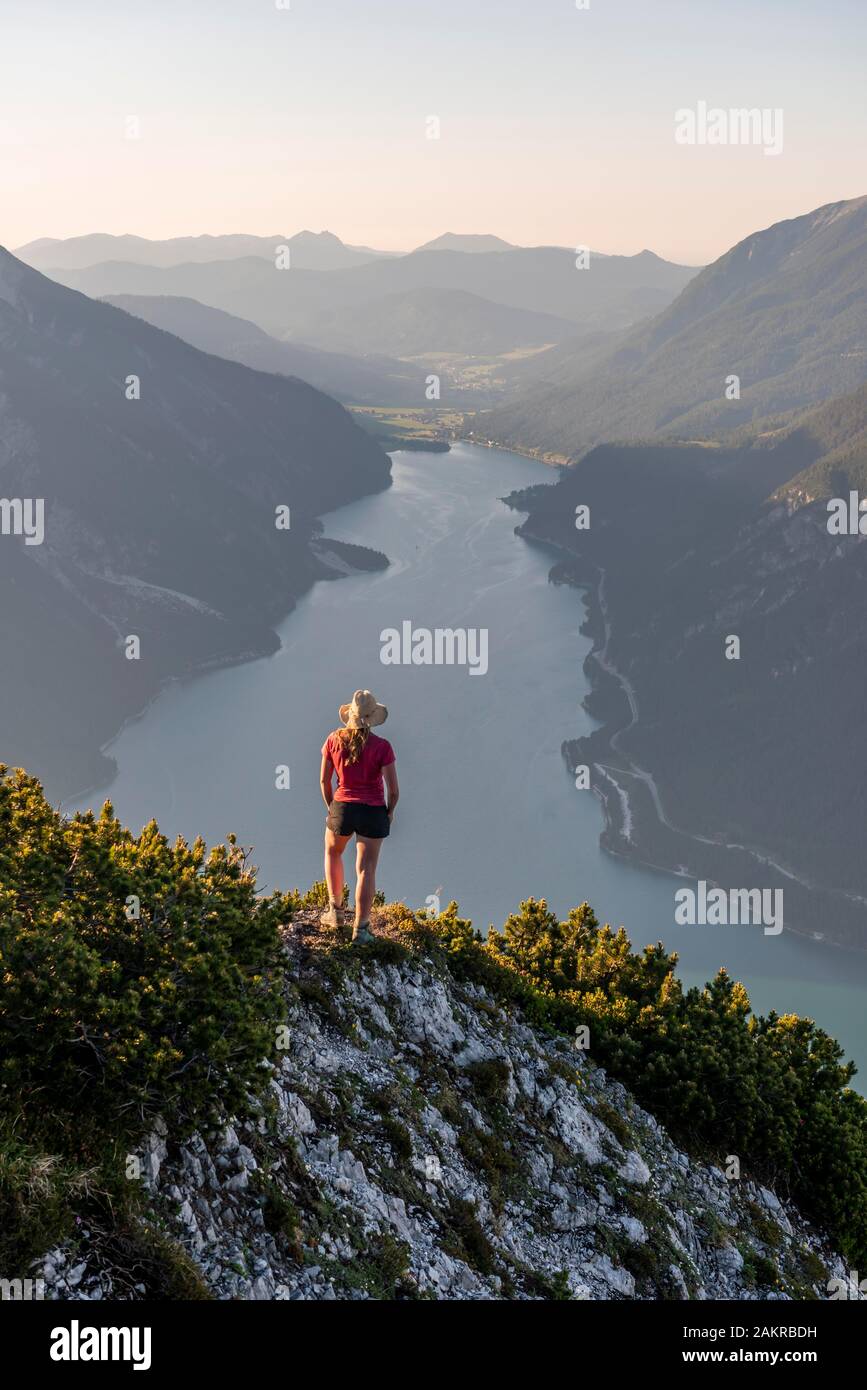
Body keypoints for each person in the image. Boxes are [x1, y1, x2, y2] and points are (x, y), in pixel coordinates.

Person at [319, 689, 399, 944]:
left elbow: (324, 781)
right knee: (366, 869)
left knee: (333, 852)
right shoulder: (382, 747)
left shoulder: (333, 739)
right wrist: (389, 813)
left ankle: (336, 912)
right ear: (372, 716)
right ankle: (361, 930)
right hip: (373, 810)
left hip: (342, 806)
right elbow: (393, 790)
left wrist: (332, 808)